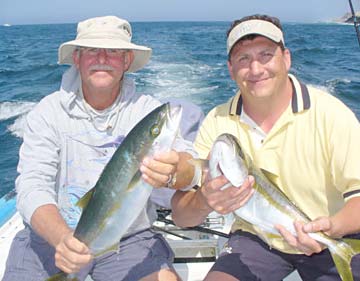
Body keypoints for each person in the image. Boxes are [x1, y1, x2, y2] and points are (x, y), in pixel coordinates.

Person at [3, 15, 200, 281]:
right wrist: (63, 239)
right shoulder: (47, 113)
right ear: (77, 59)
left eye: (114, 51)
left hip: (128, 237)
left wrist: (178, 169)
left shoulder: (147, 112)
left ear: (127, 61)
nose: (102, 58)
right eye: (92, 50)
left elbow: (191, 165)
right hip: (51, 236)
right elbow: (31, 185)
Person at [171, 14, 360, 281]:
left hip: (333, 232)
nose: (256, 69)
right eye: (243, 59)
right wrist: (204, 200)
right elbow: (181, 216)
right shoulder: (217, 121)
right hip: (256, 236)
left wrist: (331, 228)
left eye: (266, 55)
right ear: (230, 68)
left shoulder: (331, 114)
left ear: (286, 58)